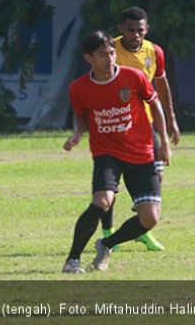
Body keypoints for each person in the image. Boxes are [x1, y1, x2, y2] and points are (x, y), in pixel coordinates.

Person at [61, 30, 170, 274]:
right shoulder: (79, 87)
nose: (109, 58)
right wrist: (77, 134)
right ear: (89, 58)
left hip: (141, 153)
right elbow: (80, 114)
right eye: (102, 55)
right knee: (102, 201)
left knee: (150, 218)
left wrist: (163, 142)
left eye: (111, 53)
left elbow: (155, 103)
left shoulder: (133, 77)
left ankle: (106, 244)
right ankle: (72, 260)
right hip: (106, 153)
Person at [98, 6, 180, 252]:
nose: (135, 35)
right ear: (121, 29)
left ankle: (143, 230)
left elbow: (161, 83)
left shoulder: (154, 51)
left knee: (157, 176)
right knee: (110, 188)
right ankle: (108, 232)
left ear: (147, 30)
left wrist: (171, 118)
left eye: (140, 30)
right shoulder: (109, 49)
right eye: (130, 30)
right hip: (114, 129)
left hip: (145, 128)